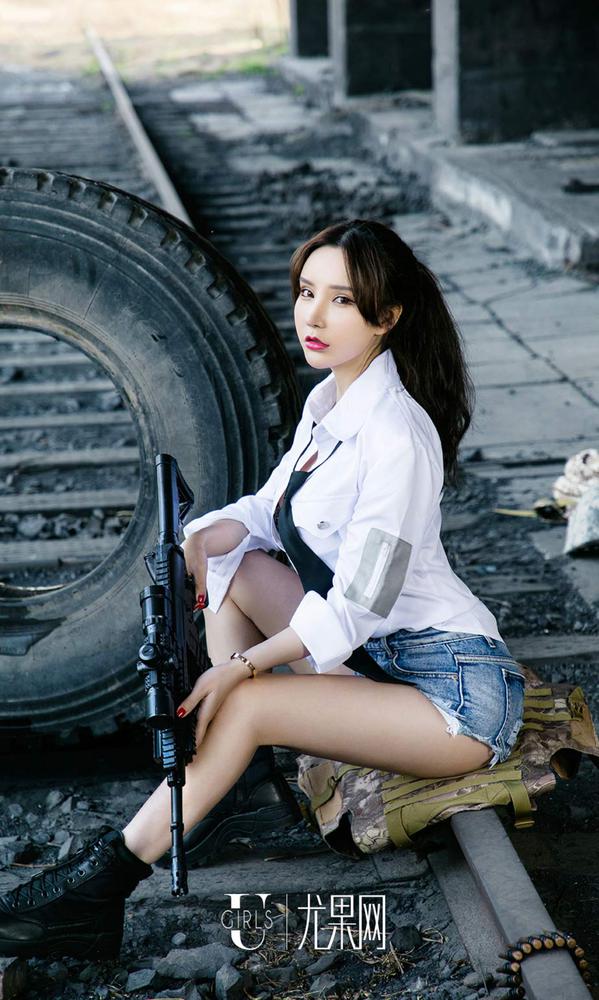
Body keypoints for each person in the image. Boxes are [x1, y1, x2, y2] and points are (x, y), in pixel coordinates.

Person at [0, 219, 525, 959]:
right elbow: (262, 512)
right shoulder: (329, 403)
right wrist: (195, 545)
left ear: (387, 316)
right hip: (382, 661)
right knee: (234, 563)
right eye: (307, 292)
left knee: (245, 701)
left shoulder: (397, 437)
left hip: (454, 696)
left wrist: (240, 667)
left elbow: (358, 605)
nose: (314, 316)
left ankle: (100, 889)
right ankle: (240, 784)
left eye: (342, 301)